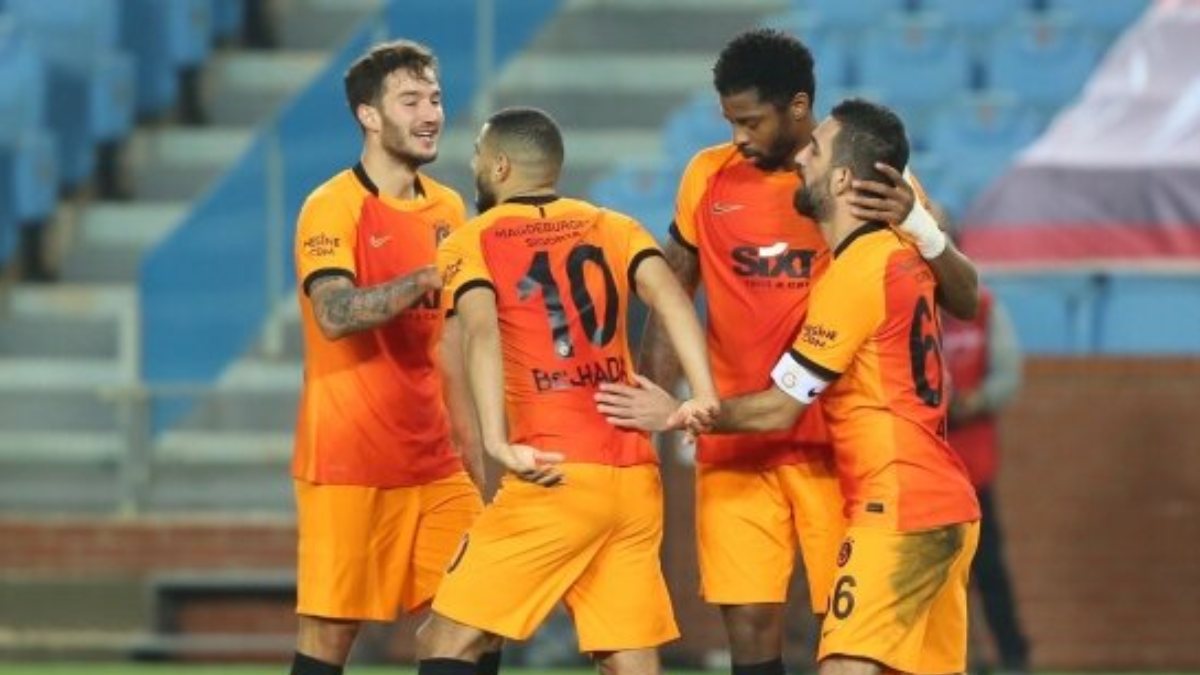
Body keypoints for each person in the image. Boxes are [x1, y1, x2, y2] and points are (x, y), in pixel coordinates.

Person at [595, 28, 980, 675]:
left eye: (751, 121)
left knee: (847, 624)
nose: (739, 136)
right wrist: (649, 419)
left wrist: (919, 221)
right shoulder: (706, 176)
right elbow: (671, 293)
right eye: (730, 121)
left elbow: (963, 294)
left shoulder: (868, 184)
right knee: (750, 624)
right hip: (740, 443)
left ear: (798, 107)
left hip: (836, 449)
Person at [416, 107, 720, 675]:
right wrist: (699, 398)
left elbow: (479, 331)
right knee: (629, 659)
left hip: (554, 476)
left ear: (499, 167)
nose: (474, 165)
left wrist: (496, 441)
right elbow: (673, 297)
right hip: (632, 477)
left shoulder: (473, 240)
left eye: (478, 155)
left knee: (446, 638)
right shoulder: (613, 225)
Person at [289, 40, 497, 675]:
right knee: (331, 634)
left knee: (481, 613)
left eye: (435, 98)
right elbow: (333, 313)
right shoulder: (331, 206)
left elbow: (448, 343)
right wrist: (424, 278)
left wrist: (473, 454)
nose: (430, 114)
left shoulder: (449, 208)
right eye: (410, 101)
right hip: (348, 463)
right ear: (369, 116)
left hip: (434, 465)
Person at [941, 274, 1029, 674]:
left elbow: (1008, 376)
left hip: (973, 466)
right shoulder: (905, 300)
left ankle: (1012, 656)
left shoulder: (985, 308)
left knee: (988, 566)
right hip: (923, 464)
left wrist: (976, 400)